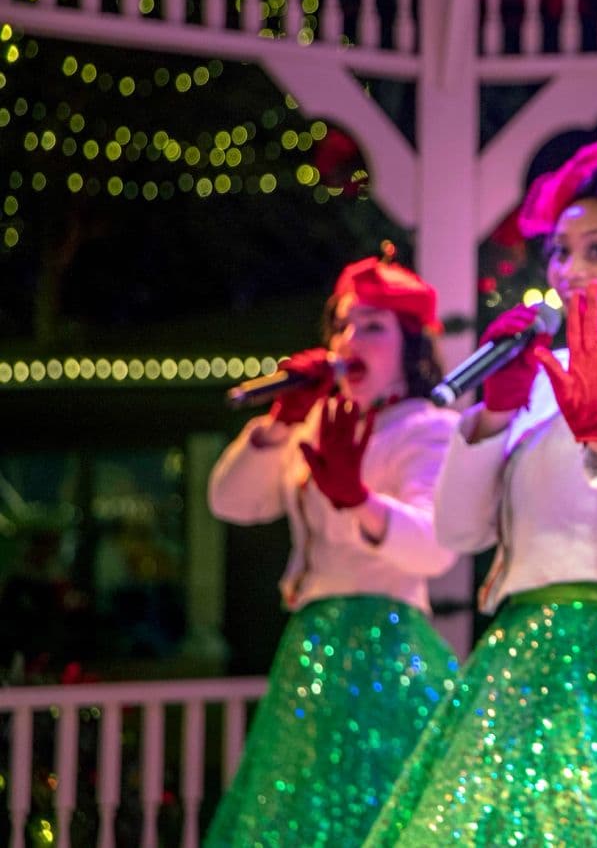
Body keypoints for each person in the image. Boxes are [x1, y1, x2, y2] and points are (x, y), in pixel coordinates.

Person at [365, 139, 597, 846]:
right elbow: (459, 535)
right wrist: (495, 413)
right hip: (521, 656)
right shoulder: (534, 377)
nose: (569, 271)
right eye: (560, 252)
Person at [205, 249, 461, 848]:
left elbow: (433, 549)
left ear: (411, 344)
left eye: (372, 326)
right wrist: (278, 421)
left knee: (383, 812)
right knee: (300, 815)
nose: (350, 339)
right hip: (312, 644)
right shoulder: (313, 422)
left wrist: (357, 500)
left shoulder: (428, 427)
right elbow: (231, 503)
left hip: (389, 644)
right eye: (343, 325)